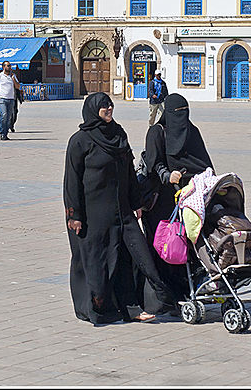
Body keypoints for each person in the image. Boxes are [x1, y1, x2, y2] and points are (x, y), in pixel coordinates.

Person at [63, 92, 171, 324]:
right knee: (99, 262)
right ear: (93, 110)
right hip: (94, 214)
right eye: (104, 106)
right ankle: (99, 310)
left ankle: (136, 306)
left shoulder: (118, 135)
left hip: (122, 210)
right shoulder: (80, 141)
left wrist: (136, 203)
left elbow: (130, 172)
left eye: (110, 105)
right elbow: (71, 182)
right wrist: (75, 215)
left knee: (133, 256)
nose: (109, 109)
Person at [138, 93, 214, 315]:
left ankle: (185, 292)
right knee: (163, 246)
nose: (181, 118)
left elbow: (204, 163)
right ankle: (162, 297)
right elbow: (153, 163)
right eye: (177, 113)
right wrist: (166, 175)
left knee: (185, 249)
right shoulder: (157, 132)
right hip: (161, 201)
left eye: (185, 112)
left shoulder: (193, 132)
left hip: (189, 199)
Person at [0, 61, 20, 140]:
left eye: (10, 66)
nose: (9, 67)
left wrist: (14, 79)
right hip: (2, 99)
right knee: (4, 115)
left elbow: (18, 87)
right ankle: (2, 133)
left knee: (9, 117)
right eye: (8, 66)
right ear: (3, 67)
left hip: (11, 99)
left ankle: (5, 134)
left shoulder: (13, 76)